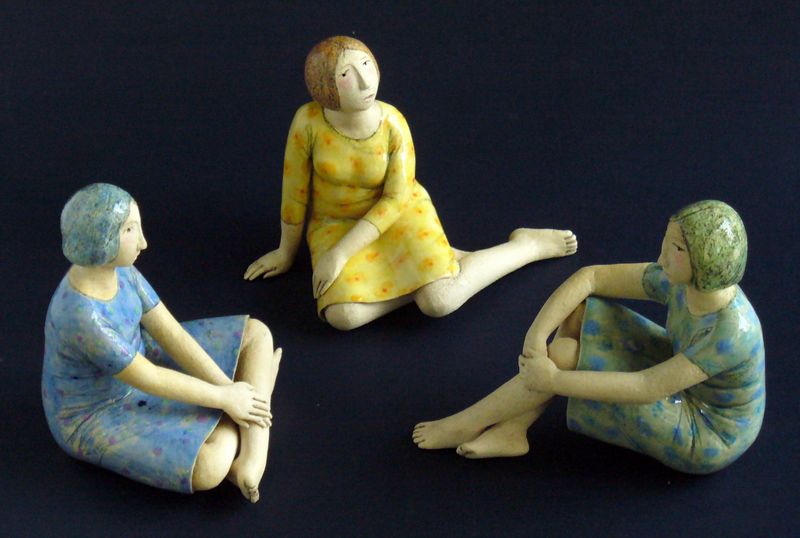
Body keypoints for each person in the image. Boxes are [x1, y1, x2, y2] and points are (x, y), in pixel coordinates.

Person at [244, 35, 577, 330]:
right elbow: (295, 192)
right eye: (346, 74)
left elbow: (395, 199)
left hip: (399, 214)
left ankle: (526, 247)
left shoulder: (393, 123)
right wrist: (286, 252)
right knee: (344, 316)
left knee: (440, 301)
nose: (365, 81)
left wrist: (340, 256)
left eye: (366, 64)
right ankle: (444, 264)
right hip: (335, 223)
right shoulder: (308, 123)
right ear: (323, 86)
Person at [414, 200, 764, 474]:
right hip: (677, 377)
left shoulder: (730, 333)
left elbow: (647, 387)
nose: (662, 256)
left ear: (704, 262)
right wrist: (536, 337)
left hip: (705, 430)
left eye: (677, 249)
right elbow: (591, 277)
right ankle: (513, 429)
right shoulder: (679, 284)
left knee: (565, 355)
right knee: (576, 313)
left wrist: (554, 379)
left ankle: (467, 423)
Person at [43, 183, 281, 502]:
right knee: (210, 466)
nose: (143, 242)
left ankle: (251, 460)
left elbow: (172, 334)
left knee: (256, 334)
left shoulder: (124, 273)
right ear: (101, 239)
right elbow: (149, 378)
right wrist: (226, 397)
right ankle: (257, 398)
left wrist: (227, 389)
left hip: (142, 357)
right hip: (99, 412)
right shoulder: (83, 316)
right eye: (130, 230)